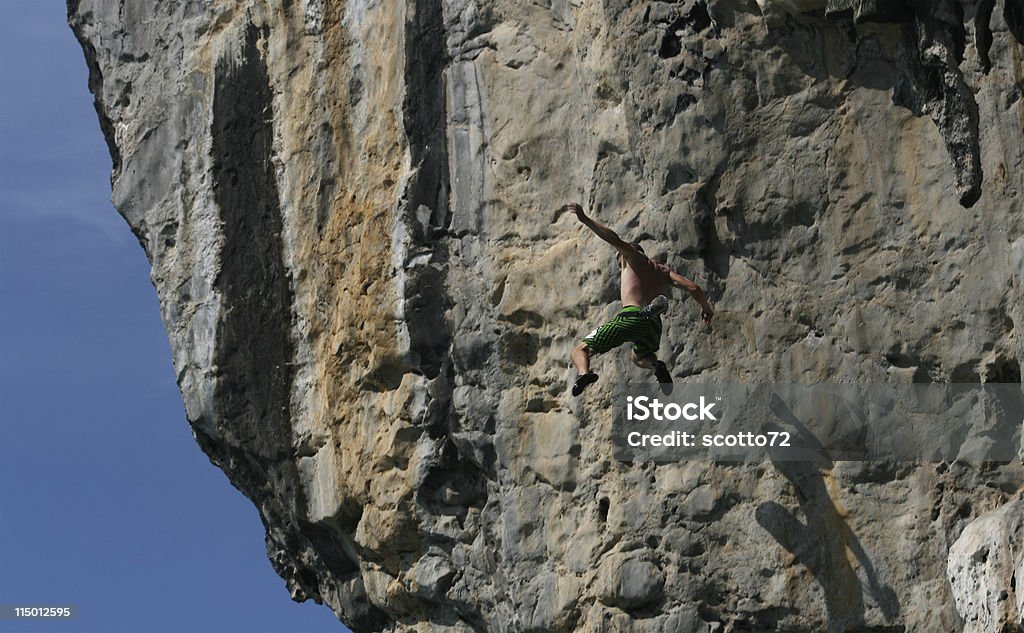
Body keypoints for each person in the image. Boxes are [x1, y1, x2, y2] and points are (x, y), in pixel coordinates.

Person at [564, 202, 713, 396]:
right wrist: (706, 308)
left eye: (620, 262)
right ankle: (656, 365)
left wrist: (585, 219)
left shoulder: (631, 257)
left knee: (580, 350)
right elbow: (693, 287)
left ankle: (584, 374)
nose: (621, 266)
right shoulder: (663, 271)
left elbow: (614, 239)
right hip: (653, 325)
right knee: (638, 356)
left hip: (631, 316)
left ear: (624, 256)